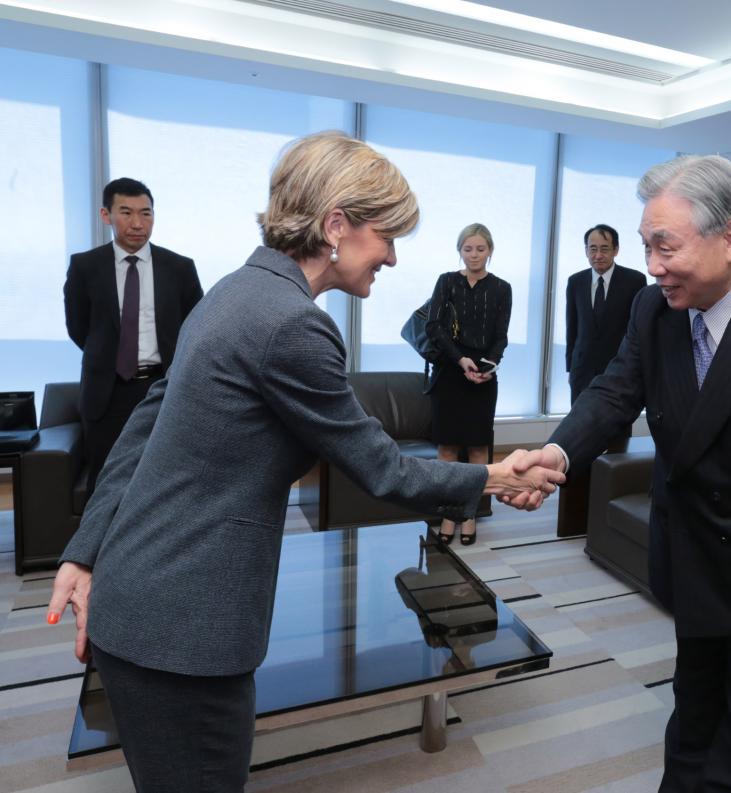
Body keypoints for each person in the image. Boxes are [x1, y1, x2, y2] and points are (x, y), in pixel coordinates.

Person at [46, 132, 562, 793]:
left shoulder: (237, 289)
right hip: (183, 632)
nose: (395, 256)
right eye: (388, 235)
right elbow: (383, 468)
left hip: (144, 606)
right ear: (336, 225)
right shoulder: (291, 322)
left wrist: (85, 548)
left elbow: (146, 422)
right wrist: (495, 475)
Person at [508, 155, 731, 792]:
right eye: (647, 246)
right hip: (689, 558)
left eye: (664, 246)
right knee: (693, 711)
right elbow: (614, 393)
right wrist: (558, 454)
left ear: (730, 238)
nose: (651, 266)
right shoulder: (655, 310)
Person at [64, 178, 203, 494]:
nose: (137, 223)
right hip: (106, 394)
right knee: (105, 486)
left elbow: (195, 327)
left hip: (162, 389)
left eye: (146, 213)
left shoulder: (180, 268)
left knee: (164, 484)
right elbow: (78, 328)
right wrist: (109, 357)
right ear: (106, 215)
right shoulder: (85, 267)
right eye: (126, 213)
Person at [426, 222, 512, 546]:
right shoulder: (446, 281)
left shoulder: (502, 288)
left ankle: (470, 513)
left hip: (484, 375)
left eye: (480, 248)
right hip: (450, 371)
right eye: (468, 248)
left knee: (478, 448)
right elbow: (434, 326)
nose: (474, 254)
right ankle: (450, 513)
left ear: (490, 250)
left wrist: (488, 366)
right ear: (459, 250)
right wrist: (460, 360)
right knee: (447, 447)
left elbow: (501, 335)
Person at [566, 223, 646, 403]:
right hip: (582, 371)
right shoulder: (575, 282)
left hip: (619, 370)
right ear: (586, 250)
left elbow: (639, 329)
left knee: (617, 428)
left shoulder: (635, 281)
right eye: (592, 249)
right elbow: (572, 328)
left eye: (605, 249)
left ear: (616, 250)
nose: (598, 255)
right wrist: (571, 369)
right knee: (580, 428)